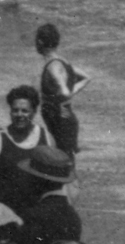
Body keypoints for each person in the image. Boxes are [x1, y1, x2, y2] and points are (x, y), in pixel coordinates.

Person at [0, 87, 48, 213]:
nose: (19, 115)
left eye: (25, 111)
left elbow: (56, 182)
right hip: (4, 216)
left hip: (36, 216)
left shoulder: (47, 139)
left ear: (34, 112)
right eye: (15, 110)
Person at [36, 25, 88, 155]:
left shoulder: (53, 67)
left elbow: (64, 92)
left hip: (60, 120)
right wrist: (69, 92)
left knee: (62, 159)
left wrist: (59, 97)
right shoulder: (63, 62)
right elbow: (86, 78)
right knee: (64, 159)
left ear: (40, 42)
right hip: (65, 118)